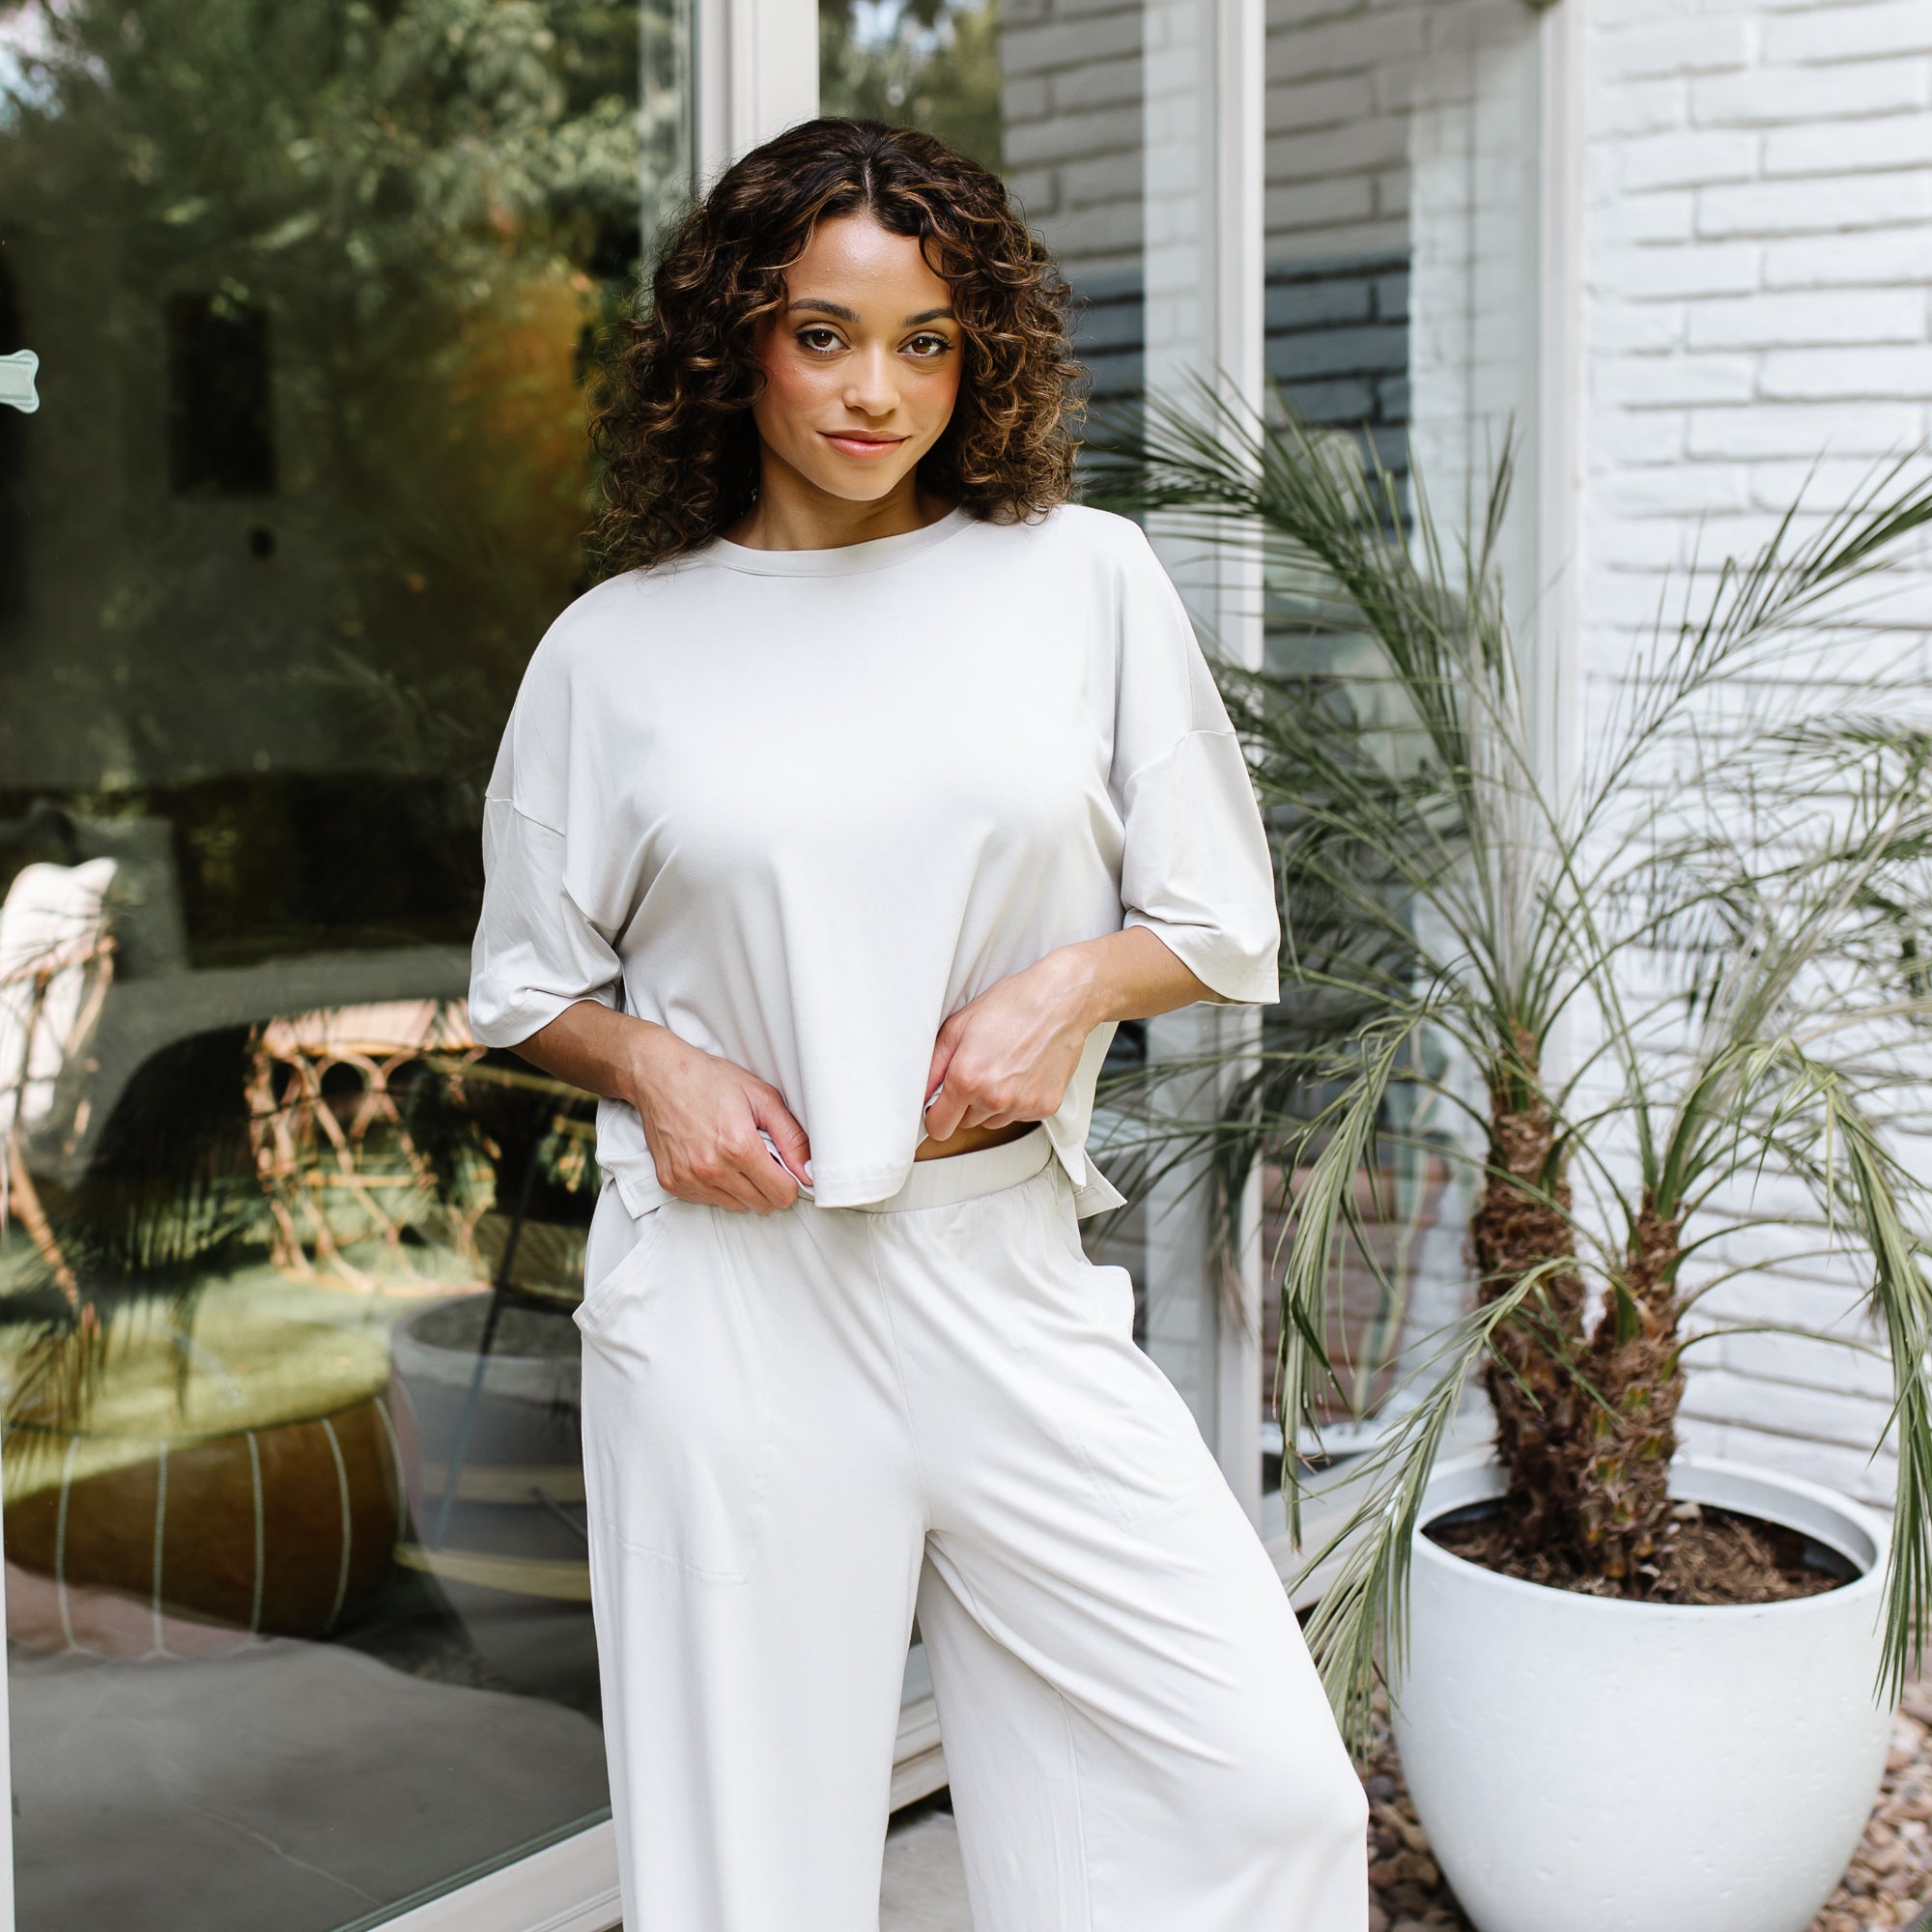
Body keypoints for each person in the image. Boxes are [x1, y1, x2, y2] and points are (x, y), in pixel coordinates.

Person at [469, 116, 1367, 1932]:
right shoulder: (615, 650)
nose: (877, 391)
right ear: (737, 340)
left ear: (984, 353)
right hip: (735, 1305)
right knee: (753, 1879)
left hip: (1006, 1282)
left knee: (1256, 1789)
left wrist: (1070, 988)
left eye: (926, 341)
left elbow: (1217, 915)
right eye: (825, 333)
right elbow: (522, 981)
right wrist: (654, 1062)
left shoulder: (1080, 578)